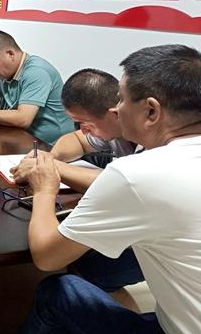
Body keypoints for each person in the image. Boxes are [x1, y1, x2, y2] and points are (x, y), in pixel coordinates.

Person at [14, 45, 201, 334]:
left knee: (59, 292)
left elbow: (47, 257)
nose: (117, 109)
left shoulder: (136, 173)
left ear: (151, 111)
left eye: (122, 99)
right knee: (98, 271)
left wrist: (45, 189)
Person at [12, 68, 143, 307]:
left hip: (158, 245)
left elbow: (121, 184)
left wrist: (51, 170)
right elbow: (76, 140)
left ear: (114, 113)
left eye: (84, 123)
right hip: (140, 225)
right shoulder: (115, 128)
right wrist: (51, 157)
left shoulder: (151, 145)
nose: (82, 129)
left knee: (84, 268)